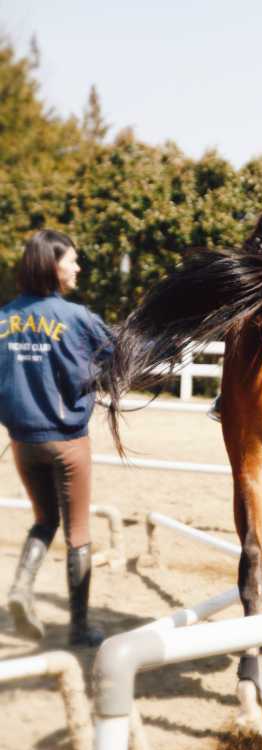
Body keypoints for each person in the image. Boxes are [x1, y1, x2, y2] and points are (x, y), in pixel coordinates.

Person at [0, 229, 112, 646]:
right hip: (67, 441)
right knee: (78, 532)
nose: (78, 266)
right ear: (53, 265)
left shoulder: (5, 316)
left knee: (45, 519)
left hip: (23, 442)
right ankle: (80, 627)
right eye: (72, 260)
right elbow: (111, 361)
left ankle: (19, 590)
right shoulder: (77, 318)